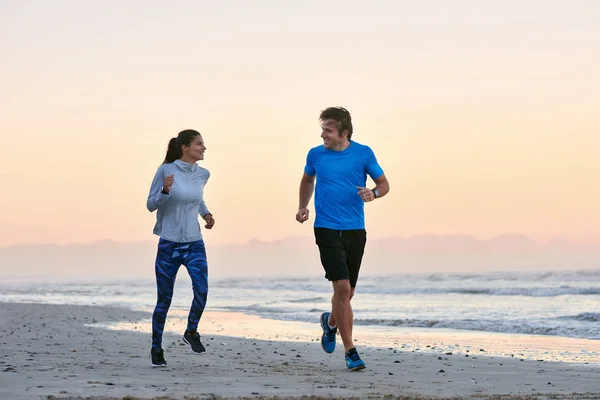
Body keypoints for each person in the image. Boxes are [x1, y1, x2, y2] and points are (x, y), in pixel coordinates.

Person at [296, 107, 389, 371]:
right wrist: (303, 205)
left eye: (328, 129)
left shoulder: (363, 153)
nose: (322, 134)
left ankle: (331, 322)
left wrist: (373, 193)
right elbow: (307, 179)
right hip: (325, 227)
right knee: (342, 288)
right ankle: (350, 351)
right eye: (322, 128)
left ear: (343, 132)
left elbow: (383, 184)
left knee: (348, 294)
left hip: (355, 229)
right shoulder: (316, 155)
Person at [146, 129, 215, 367]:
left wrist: (205, 213)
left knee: (202, 289)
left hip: (194, 242)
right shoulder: (166, 170)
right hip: (169, 244)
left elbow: (197, 199)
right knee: (164, 299)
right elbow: (150, 205)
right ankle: (156, 348)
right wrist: (165, 191)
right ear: (185, 147)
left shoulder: (203, 174)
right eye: (199, 144)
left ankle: (191, 331)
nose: (203, 148)